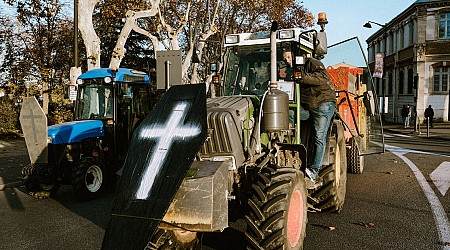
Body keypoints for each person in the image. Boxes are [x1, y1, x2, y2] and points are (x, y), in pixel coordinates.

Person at [282, 50, 336, 188]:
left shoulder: (312, 62)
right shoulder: (291, 70)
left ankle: (313, 171)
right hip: (307, 105)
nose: (287, 60)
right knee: (291, 112)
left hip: (322, 102)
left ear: (296, 55)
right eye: (285, 58)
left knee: (319, 136)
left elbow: (322, 78)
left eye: (289, 56)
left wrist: (302, 77)